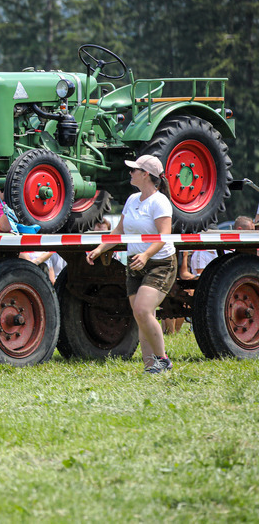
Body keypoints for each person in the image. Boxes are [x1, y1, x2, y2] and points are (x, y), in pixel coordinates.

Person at [87, 155, 176, 374]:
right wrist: (99, 250)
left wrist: (145, 255)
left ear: (146, 174)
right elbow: (118, 232)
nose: (130, 173)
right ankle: (150, 366)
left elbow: (164, 235)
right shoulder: (132, 199)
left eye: (134, 170)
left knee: (143, 310)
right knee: (142, 316)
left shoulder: (160, 201)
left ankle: (163, 360)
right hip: (135, 264)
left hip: (159, 263)